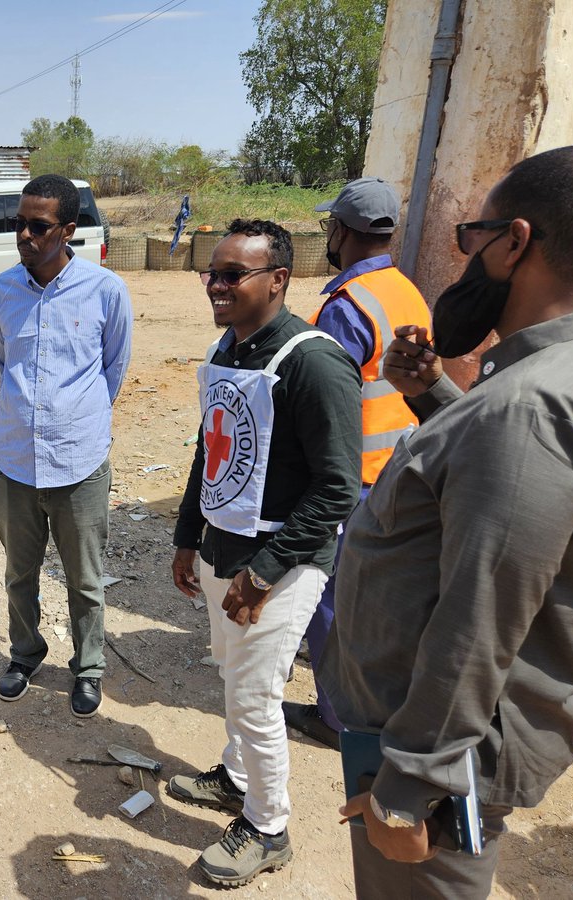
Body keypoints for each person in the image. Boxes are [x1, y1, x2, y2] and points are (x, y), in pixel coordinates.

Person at [320, 145, 573, 898]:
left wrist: (411, 785)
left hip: (440, 762)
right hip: (450, 740)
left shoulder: (530, 405)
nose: (463, 261)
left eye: (473, 240)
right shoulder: (545, 383)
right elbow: (516, 504)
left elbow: (482, 610)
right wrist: (436, 395)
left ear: (516, 242)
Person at [168, 219, 362, 886]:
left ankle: (269, 825)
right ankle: (237, 777)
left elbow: (338, 488)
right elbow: (210, 448)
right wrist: (187, 536)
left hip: (282, 561)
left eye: (232, 275)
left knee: (255, 694)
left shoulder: (312, 361)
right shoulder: (230, 349)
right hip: (226, 548)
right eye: (211, 273)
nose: (215, 286)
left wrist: (263, 573)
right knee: (233, 672)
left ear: (278, 280)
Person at [283, 178, 433, 749]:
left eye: (330, 225)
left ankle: (338, 716)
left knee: (328, 595)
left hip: (355, 475)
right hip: (400, 466)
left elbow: (326, 401)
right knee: (371, 595)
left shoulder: (347, 307)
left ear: (341, 230)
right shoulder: (404, 290)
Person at [0, 173, 133, 719]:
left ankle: (88, 668)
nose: (24, 234)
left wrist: (77, 420)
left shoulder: (105, 291)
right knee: (19, 573)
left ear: (68, 230)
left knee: (84, 578)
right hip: (16, 461)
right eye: (18, 223)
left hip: (79, 460)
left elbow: (113, 369)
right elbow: (4, 364)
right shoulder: (0, 292)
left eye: (38, 226)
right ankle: (25, 654)